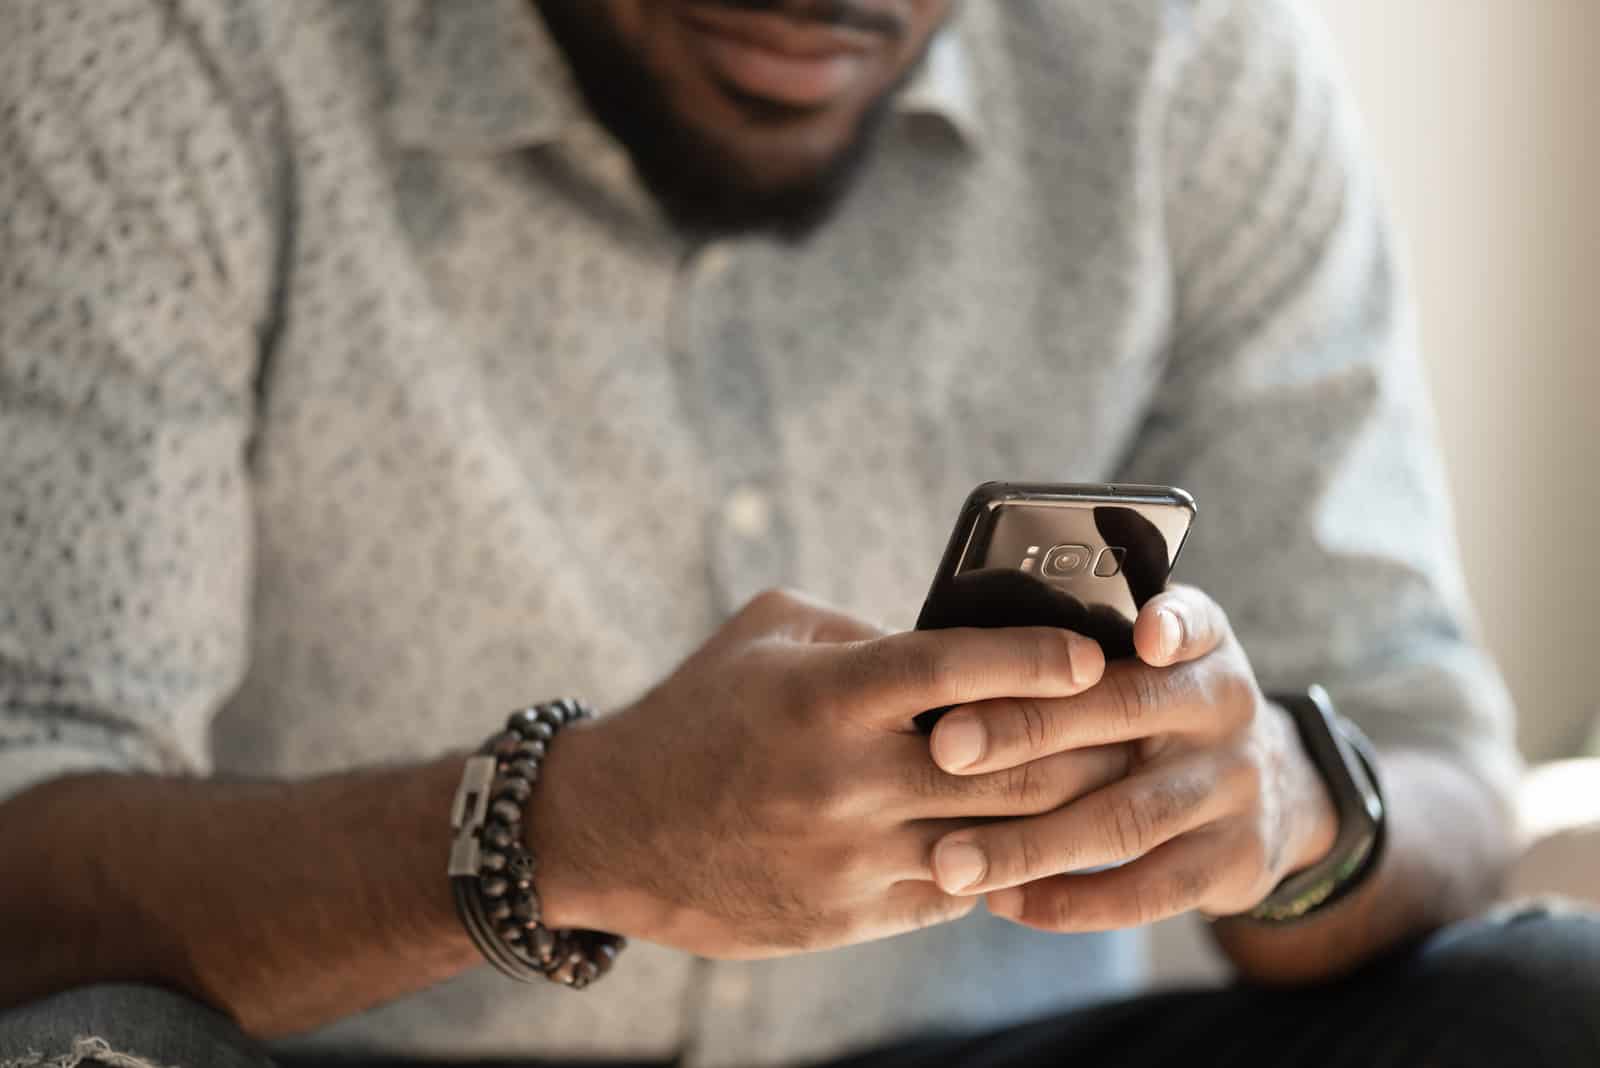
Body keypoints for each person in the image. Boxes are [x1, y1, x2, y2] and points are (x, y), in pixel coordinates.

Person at [0, 1, 1595, 1066]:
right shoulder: (170, 49)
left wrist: (1291, 812)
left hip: (984, 1048)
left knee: (1548, 998)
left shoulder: (1184, 58)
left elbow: (1438, 757)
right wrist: (557, 833)